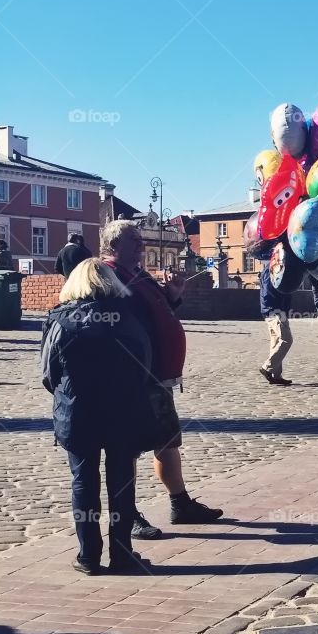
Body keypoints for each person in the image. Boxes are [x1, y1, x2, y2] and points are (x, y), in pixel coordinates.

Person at [102, 220, 223, 535]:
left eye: (140, 241)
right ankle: (126, 514)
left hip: (156, 376)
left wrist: (173, 294)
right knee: (126, 447)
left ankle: (180, 504)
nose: (141, 247)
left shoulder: (138, 274)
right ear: (114, 246)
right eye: (134, 241)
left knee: (166, 440)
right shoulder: (106, 275)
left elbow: (155, 312)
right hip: (130, 379)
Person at [41, 259, 159, 574]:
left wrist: (67, 395)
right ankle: (122, 553)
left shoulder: (59, 320)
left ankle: (88, 556)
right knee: (121, 483)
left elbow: (48, 375)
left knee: (83, 482)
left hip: (77, 414)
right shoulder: (129, 318)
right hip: (123, 411)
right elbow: (146, 365)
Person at [260, 257, 293, 384]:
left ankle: (276, 376)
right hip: (275, 310)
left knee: (275, 342)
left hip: (272, 310)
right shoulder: (271, 270)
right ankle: (267, 367)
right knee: (286, 340)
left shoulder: (270, 269)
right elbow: (270, 292)